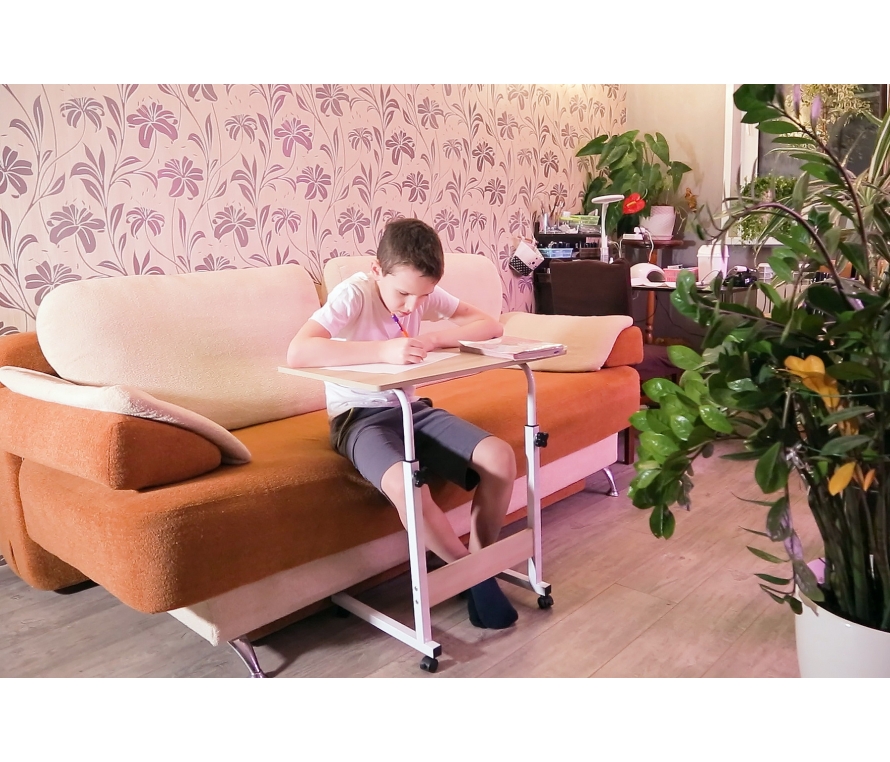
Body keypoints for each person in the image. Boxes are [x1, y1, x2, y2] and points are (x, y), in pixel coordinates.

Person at [286, 218, 518, 629]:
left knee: (500, 457)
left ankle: (478, 566)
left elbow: (491, 325)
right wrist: (384, 350)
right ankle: (474, 577)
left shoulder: (420, 292)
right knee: (407, 486)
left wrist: (431, 339)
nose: (413, 307)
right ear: (377, 270)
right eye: (404, 294)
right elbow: (299, 352)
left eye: (423, 295)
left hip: (410, 408)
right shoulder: (354, 293)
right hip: (358, 417)